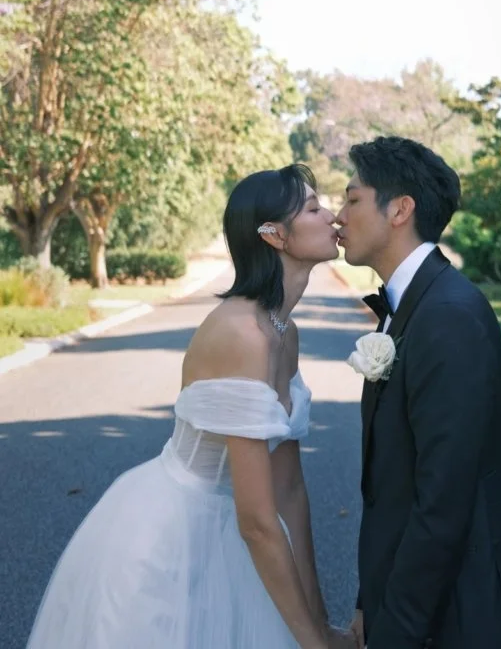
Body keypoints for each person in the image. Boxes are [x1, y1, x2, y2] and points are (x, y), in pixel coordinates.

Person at [26, 164, 354, 649]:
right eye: (312, 208)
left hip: (237, 530)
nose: (331, 216)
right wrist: (314, 644)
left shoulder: (284, 332)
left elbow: (288, 491)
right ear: (275, 235)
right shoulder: (243, 334)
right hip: (166, 539)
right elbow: (258, 522)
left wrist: (320, 623)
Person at [337, 137, 501, 649]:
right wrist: (369, 599)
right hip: (414, 603)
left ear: (399, 210)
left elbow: (443, 501)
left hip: (458, 615)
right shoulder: (413, 304)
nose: (338, 215)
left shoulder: (448, 315)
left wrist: (395, 632)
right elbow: (394, 488)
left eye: (352, 198)